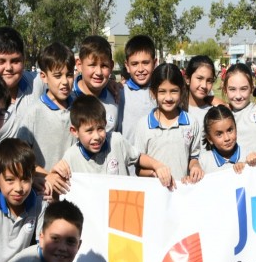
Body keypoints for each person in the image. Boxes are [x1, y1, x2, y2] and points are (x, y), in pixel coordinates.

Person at [49, 95, 174, 191]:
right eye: (89, 131)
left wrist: (158, 166)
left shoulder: (116, 141)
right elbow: (59, 187)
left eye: (100, 128)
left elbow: (138, 157)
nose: (96, 136)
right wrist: (53, 176)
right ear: (75, 131)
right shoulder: (70, 157)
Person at [131, 63, 203, 184]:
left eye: (174, 91)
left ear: (182, 91)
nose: (168, 98)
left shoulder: (191, 123)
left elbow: (193, 157)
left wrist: (195, 166)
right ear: (153, 92)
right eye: (162, 91)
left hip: (181, 191)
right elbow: (138, 168)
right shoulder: (143, 125)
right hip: (154, 192)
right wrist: (155, 172)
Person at [17, 42, 76, 172]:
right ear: (44, 77)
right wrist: (47, 176)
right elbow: (20, 158)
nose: (65, 82)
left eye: (69, 75)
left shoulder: (80, 106)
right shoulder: (33, 113)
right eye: (57, 76)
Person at [72, 35, 120, 133]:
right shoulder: (67, 98)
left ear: (111, 66)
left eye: (104, 66)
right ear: (79, 65)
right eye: (92, 65)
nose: (98, 72)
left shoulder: (116, 97)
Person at [198, 105, 256, 174]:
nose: (227, 138)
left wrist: (249, 164)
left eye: (230, 130)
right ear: (210, 139)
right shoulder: (203, 162)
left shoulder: (248, 156)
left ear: (236, 128)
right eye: (219, 134)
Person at [119, 35, 158, 143]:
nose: (140, 69)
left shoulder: (161, 92)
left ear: (155, 63)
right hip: (128, 153)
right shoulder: (120, 93)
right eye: (134, 64)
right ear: (127, 66)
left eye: (145, 63)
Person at [223, 63, 256, 153]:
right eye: (232, 89)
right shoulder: (221, 114)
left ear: (251, 88)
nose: (238, 96)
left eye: (243, 89)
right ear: (225, 90)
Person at [185, 55, 224, 137]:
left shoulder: (215, 111)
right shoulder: (175, 109)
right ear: (187, 79)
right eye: (199, 78)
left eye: (209, 80)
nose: (204, 86)